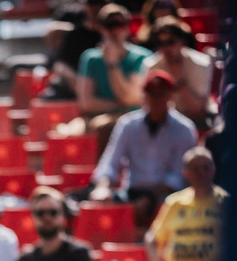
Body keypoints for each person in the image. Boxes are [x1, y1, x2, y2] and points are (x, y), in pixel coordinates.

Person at [90, 69, 197, 234]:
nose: (156, 100)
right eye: (151, 94)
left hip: (166, 195)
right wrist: (103, 187)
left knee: (170, 203)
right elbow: (111, 161)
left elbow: (179, 176)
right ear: (144, 96)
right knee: (99, 203)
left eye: (161, 94)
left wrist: (150, 198)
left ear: (170, 96)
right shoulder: (128, 124)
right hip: (132, 192)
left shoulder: (184, 129)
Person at [75, 4, 152, 151]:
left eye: (119, 24)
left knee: (106, 126)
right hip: (100, 119)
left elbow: (130, 98)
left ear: (127, 27)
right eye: (108, 25)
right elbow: (86, 103)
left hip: (136, 118)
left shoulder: (142, 57)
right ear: (100, 28)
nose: (114, 30)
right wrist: (120, 106)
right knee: (97, 126)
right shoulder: (90, 58)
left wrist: (113, 64)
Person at [145, 146, 227, 261]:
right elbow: (152, 238)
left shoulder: (226, 202)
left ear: (214, 170)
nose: (201, 173)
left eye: (205, 167)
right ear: (185, 173)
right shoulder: (174, 202)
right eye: (195, 168)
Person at [143, 18, 215, 128]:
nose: (166, 48)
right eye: (161, 43)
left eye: (170, 42)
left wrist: (179, 79)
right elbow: (150, 107)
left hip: (195, 122)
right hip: (163, 123)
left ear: (182, 40)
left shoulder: (201, 63)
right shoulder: (151, 66)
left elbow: (198, 111)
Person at [13, 187, 96, 261]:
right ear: (33, 217)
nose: (46, 218)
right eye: (40, 213)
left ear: (64, 215)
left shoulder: (79, 254)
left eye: (53, 212)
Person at [41, 0, 104, 101]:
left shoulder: (113, 34)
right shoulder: (75, 35)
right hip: (75, 85)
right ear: (85, 6)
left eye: (99, 3)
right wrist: (76, 80)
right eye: (91, 4)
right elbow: (60, 64)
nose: (95, 8)